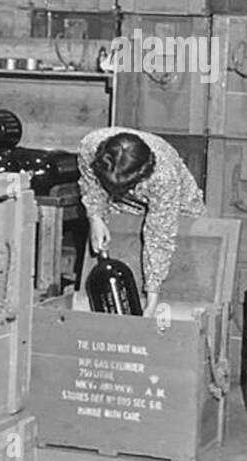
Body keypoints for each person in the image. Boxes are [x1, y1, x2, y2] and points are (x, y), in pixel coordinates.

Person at [77, 128, 205, 319]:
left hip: (178, 207)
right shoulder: (89, 147)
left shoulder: (163, 176)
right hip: (120, 204)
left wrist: (152, 299)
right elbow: (91, 184)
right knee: (125, 257)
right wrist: (95, 217)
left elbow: (159, 237)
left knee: (181, 271)